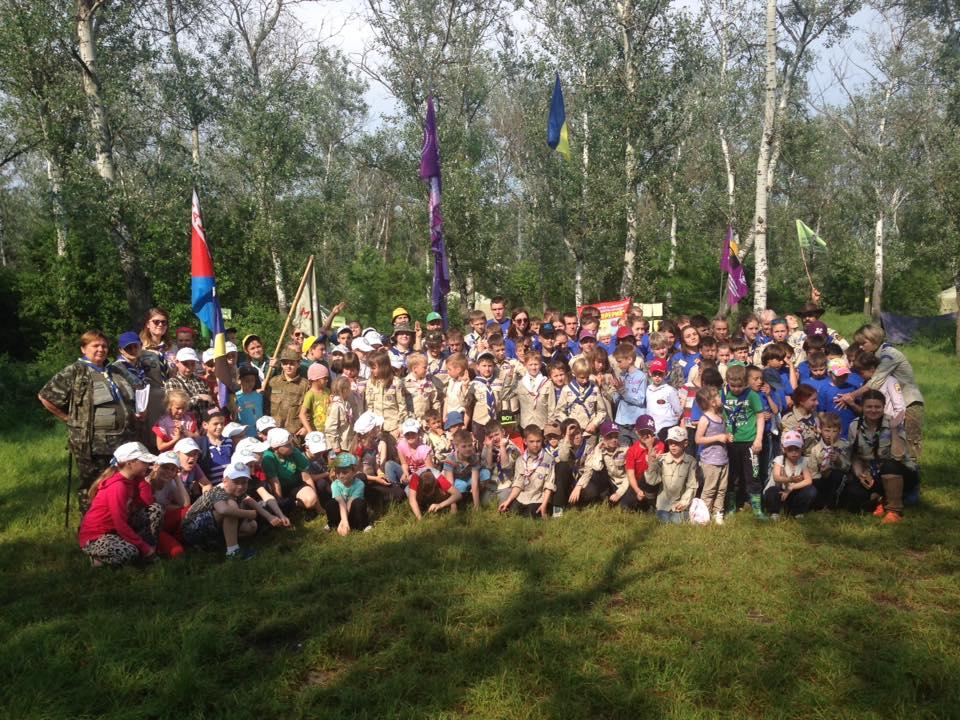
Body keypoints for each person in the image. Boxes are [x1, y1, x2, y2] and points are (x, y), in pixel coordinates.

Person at [39, 330, 138, 496]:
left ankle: (113, 518)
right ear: (83, 349)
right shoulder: (75, 371)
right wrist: (68, 419)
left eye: (104, 346)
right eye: (95, 345)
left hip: (121, 440)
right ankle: (91, 521)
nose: (101, 349)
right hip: (93, 444)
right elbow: (45, 396)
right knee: (93, 486)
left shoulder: (114, 370)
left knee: (118, 483)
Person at [841, 323, 924, 464]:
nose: (861, 347)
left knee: (910, 442)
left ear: (874, 339)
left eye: (863, 343)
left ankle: (912, 478)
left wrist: (852, 395)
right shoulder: (877, 354)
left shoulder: (889, 354)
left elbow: (875, 381)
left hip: (908, 402)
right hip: (892, 404)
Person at [77, 442, 163, 567]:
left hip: (117, 531)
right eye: (144, 462)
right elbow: (120, 523)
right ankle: (98, 558)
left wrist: (142, 481)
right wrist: (144, 548)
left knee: (155, 509)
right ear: (129, 463)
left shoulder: (133, 479)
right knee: (129, 553)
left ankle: (147, 552)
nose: (148, 465)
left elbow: (148, 502)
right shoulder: (118, 487)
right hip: (97, 536)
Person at [848, 389, 919, 524]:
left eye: (877, 407)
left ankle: (894, 510)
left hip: (900, 472)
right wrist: (860, 474)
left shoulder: (893, 423)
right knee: (854, 493)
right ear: (862, 407)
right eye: (869, 406)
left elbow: (898, 456)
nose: (873, 410)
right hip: (873, 473)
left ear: (883, 407)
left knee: (889, 466)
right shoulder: (855, 426)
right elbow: (856, 456)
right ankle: (881, 499)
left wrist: (893, 429)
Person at [181, 461, 258, 559]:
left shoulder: (238, 492)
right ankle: (233, 552)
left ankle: (218, 545)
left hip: (210, 528)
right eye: (236, 482)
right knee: (231, 507)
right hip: (191, 530)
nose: (240, 486)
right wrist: (248, 514)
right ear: (224, 481)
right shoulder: (218, 490)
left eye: (244, 482)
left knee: (252, 526)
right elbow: (223, 510)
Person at [722, 364, 765, 516]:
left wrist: (758, 439)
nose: (736, 389)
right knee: (732, 475)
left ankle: (757, 509)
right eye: (732, 385)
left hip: (750, 442)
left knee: (753, 474)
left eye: (739, 386)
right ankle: (732, 507)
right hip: (731, 443)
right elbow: (720, 415)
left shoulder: (752, 395)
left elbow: (760, 416)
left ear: (746, 383)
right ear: (727, 381)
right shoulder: (723, 394)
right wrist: (725, 433)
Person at [568, 422, 637, 509]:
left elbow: (629, 476)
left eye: (616, 436)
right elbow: (593, 469)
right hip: (610, 484)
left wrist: (619, 493)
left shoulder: (625, 450)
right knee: (596, 473)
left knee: (625, 506)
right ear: (603, 438)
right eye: (610, 436)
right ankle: (602, 499)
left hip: (624, 483)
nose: (614, 439)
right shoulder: (599, 450)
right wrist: (578, 486)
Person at [643, 426, 699, 523]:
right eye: (670, 442)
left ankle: (682, 515)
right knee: (664, 518)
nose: (673, 445)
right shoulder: (661, 459)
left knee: (676, 520)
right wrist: (652, 463)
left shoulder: (691, 462)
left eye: (676, 443)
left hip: (680, 505)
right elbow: (651, 481)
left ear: (685, 443)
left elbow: (692, 486)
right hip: (663, 505)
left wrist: (684, 502)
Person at [498, 425, 556, 518]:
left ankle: (544, 509)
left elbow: (549, 485)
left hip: (538, 499)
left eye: (538, 441)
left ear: (542, 440)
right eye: (531, 441)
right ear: (525, 441)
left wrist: (544, 504)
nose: (535, 445)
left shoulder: (548, 459)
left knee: (530, 514)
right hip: (523, 497)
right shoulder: (520, 460)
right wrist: (508, 501)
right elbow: (518, 484)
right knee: (508, 511)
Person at [261, 427, 320, 516]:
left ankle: (295, 505)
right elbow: (275, 483)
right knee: (284, 505)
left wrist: (318, 505)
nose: (292, 446)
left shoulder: (294, 451)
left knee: (311, 500)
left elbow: (306, 477)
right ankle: (290, 507)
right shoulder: (268, 458)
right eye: (287, 445)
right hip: (280, 488)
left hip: (296, 485)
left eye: (291, 443)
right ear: (275, 448)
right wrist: (282, 506)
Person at [694, 387, 731, 525]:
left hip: (723, 459)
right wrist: (718, 437)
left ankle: (718, 512)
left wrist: (726, 437)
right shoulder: (704, 419)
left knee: (722, 489)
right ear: (712, 402)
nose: (720, 397)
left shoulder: (720, 417)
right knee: (709, 489)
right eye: (717, 396)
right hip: (710, 461)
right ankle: (703, 514)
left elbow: (722, 435)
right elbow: (698, 439)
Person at [764, 430, 817, 519]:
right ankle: (775, 512)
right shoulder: (779, 459)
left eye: (797, 449)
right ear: (784, 449)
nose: (794, 452)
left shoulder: (803, 460)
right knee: (771, 491)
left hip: (793, 492)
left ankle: (797, 512)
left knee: (811, 490)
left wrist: (791, 487)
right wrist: (790, 480)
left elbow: (808, 480)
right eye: (790, 449)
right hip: (780, 491)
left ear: (802, 449)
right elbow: (776, 477)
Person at [808, 412, 849, 510]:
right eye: (826, 430)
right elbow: (812, 472)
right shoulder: (815, 449)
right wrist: (822, 473)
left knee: (836, 475)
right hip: (821, 480)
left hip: (839, 481)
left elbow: (847, 467)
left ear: (840, 431)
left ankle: (833, 504)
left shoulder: (845, 446)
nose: (830, 434)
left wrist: (837, 461)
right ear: (820, 430)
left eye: (834, 431)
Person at [264, 348, 309, 436]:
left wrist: (306, 427)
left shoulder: (305, 385)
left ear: (298, 364)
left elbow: (309, 409)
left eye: (292, 363)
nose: (288, 366)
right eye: (285, 363)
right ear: (281, 365)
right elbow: (266, 406)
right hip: (274, 431)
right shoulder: (273, 382)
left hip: (294, 433)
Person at [324, 453, 372, 535]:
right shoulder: (335, 484)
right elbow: (341, 503)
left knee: (359, 503)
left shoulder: (359, 484)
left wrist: (344, 523)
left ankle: (363, 525)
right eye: (338, 472)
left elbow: (349, 503)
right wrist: (343, 523)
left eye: (345, 472)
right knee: (331, 503)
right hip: (341, 512)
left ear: (354, 471)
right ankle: (333, 524)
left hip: (353, 514)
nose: (341, 475)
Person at [365, 349, 409, 437]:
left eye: (374, 368)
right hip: (377, 428)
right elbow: (369, 405)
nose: (371, 370)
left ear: (383, 367)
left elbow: (402, 406)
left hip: (393, 426)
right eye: (371, 368)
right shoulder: (370, 382)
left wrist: (400, 426)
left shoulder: (396, 382)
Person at [442, 429, 482, 508]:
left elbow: (474, 482)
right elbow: (450, 484)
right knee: (461, 485)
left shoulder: (474, 457)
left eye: (470, 445)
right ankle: (457, 501)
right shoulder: (450, 459)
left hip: (467, 478)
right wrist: (453, 507)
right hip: (455, 482)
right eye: (464, 446)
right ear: (456, 446)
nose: (468, 449)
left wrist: (477, 506)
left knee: (485, 474)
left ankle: (474, 497)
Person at [324, 376, 360, 456]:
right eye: (349, 388)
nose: (350, 390)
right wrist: (336, 446)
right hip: (338, 447)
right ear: (344, 390)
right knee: (337, 468)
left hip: (347, 445)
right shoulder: (336, 406)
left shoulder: (346, 404)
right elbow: (330, 428)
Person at [517, 352, 551, 430]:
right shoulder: (520, 382)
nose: (533, 367)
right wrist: (509, 377)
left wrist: (550, 424)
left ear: (540, 365)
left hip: (542, 424)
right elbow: (505, 395)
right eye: (530, 365)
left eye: (536, 364)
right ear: (525, 365)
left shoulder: (547, 383)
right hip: (526, 424)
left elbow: (551, 406)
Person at [298, 363, 331, 435]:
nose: (327, 380)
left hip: (329, 431)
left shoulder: (328, 391)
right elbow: (302, 414)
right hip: (317, 433)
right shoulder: (310, 394)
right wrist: (310, 432)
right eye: (324, 378)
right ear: (315, 379)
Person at [235, 366, 264, 438]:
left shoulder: (259, 396)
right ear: (239, 381)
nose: (250, 383)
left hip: (260, 433)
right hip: (245, 434)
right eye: (247, 381)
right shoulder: (236, 397)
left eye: (252, 380)